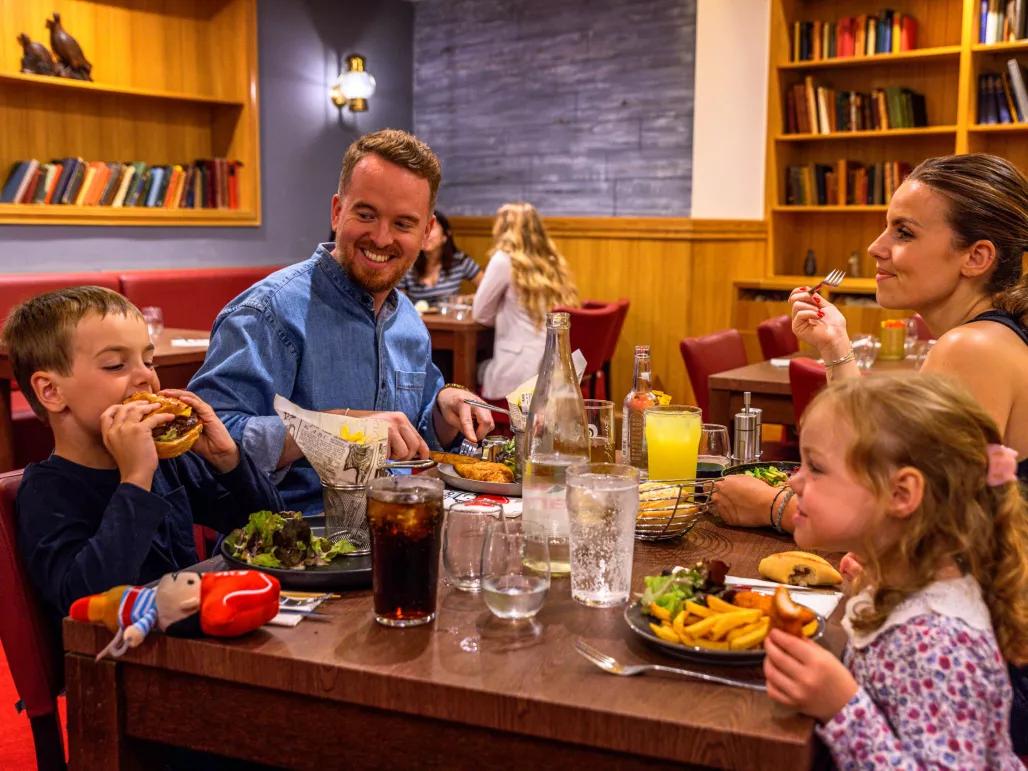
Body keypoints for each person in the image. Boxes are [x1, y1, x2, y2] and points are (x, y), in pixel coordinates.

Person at [713, 152, 1028, 528]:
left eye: (904, 232)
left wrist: (776, 507)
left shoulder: (973, 348)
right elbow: (884, 464)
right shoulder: (989, 336)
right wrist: (835, 347)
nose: (875, 247)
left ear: (977, 256)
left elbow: (931, 523)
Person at [189, 129, 494, 514]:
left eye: (403, 224)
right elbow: (201, 446)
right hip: (291, 548)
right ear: (337, 211)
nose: (381, 238)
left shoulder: (409, 323)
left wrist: (445, 408)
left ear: (427, 232)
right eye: (366, 215)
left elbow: (415, 434)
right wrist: (330, 429)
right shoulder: (268, 312)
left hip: (393, 533)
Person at [762, 376, 1026, 768]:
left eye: (815, 467)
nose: (793, 480)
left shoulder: (939, 644)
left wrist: (842, 707)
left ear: (901, 494)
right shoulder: (900, 585)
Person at [3, 286, 283, 629]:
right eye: (116, 364)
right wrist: (135, 479)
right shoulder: (47, 492)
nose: (146, 377)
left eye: (149, 361)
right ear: (51, 391)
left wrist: (229, 460)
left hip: (193, 645)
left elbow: (271, 531)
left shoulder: (170, 461)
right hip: (118, 668)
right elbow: (83, 603)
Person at [472, 202, 579, 400]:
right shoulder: (552, 261)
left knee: (463, 368)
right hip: (551, 368)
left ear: (503, 229)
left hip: (517, 373)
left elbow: (480, 314)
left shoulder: (504, 260)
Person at [397, 210, 482, 304]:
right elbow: (398, 304)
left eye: (431, 229)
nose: (425, 234)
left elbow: (488, 289)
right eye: (423, 229)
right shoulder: (408, 262)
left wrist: (465, 299)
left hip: (448, 317)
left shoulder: (459, 261)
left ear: (445, 236)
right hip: (415, 318)